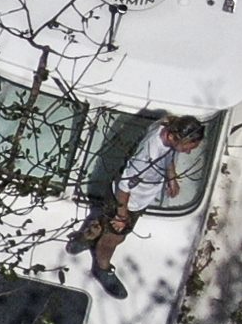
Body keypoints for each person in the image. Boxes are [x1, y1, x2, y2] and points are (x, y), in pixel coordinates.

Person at [70, 114, 208, 299]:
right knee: (114, 239)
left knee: (104, 221)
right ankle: (102, 269)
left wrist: (171, 176)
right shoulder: (148, 154)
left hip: (139, 197)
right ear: (173, 137)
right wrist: (121, 215)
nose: (189, 152)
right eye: (188, 148)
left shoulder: (167, 128)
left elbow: (170, 154)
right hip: (127, 201)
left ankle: (84, 239)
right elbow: (124, 185)